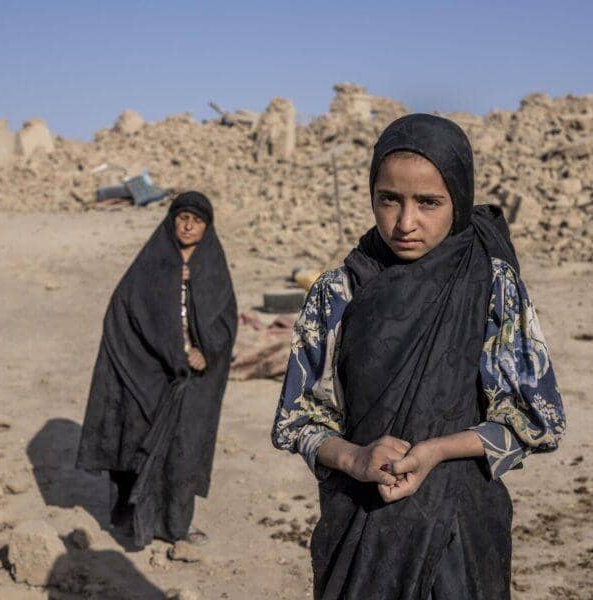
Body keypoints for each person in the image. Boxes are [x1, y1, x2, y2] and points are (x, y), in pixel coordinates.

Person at [271, 114, 565, 600]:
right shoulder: (337, 291)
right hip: (360, 524)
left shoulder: (491, 286)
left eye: (429, 202)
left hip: (460, 528)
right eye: (389, 199)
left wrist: (436, 451)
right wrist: (356, 458)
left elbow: (537, 417)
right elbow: (296, 420)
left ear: (459, 200)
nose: (406, 223)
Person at [77, 191, 237, 549]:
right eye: (182, 217)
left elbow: (226, 321)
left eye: (197, 219)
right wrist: (158, 354)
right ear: (171, 220)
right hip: (152, 374)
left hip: (193, 380)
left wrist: (206, 352)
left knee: (184, 452)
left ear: (207, 227)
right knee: (139, 446)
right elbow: (123, 312)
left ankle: (177, 529)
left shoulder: (212, 265)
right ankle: (137, 525)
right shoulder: (152, 261)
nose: (188, 224)